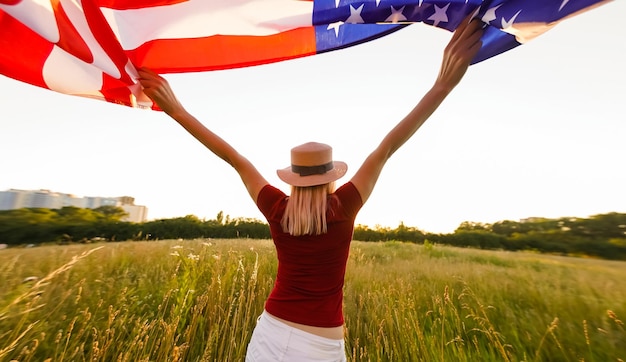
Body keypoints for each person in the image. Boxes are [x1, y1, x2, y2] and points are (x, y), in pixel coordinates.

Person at [137, 15, 484, 362]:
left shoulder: (277, 208)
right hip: (321, 347)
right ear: (330, 177)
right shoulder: (343, 206)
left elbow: (235, 158)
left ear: (293, 178)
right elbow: (386, 148)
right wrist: (442, 85)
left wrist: (176, 110)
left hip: (271, 332)